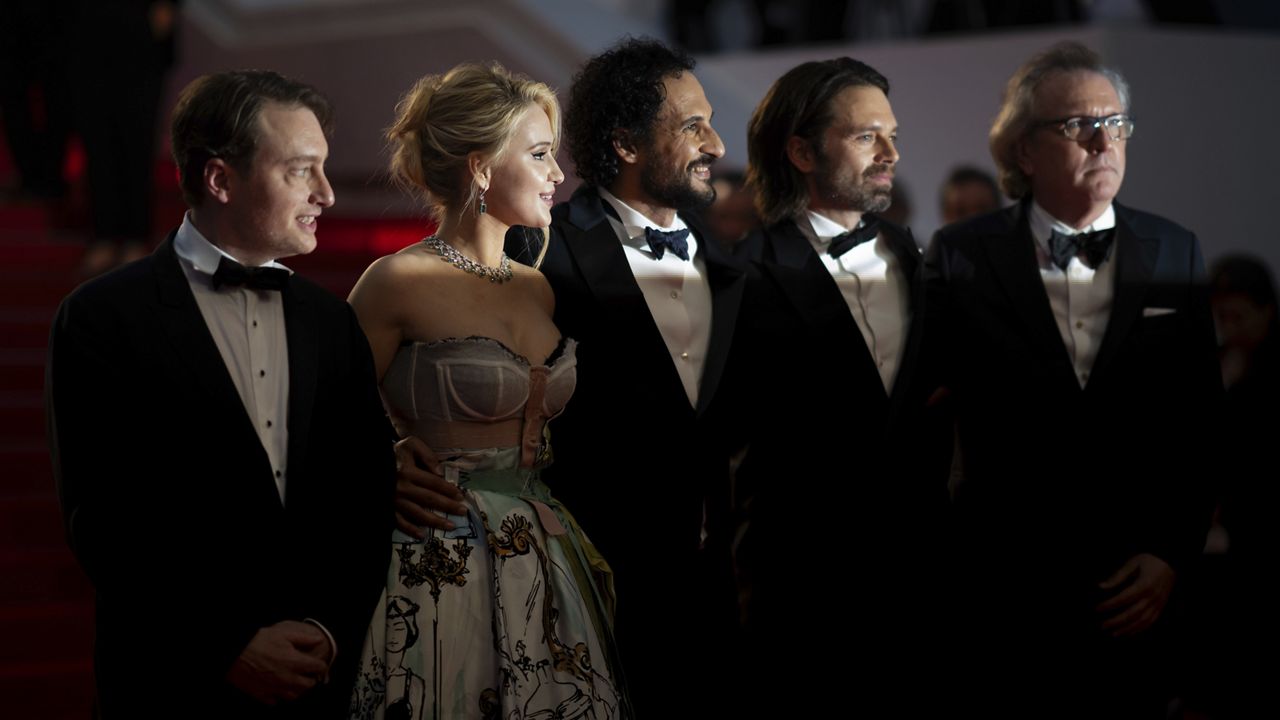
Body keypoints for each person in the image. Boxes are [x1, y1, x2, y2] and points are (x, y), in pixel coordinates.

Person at [45, 70, 395, 718]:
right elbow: (105, 519)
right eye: (301, 171)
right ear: (220, 180)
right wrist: (227, 645)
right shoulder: (100, 319)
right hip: (170, 682)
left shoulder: (331, 322)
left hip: (319, 684)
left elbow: (365, 498)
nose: (327, 193)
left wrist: (327, 630)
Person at [923, 42, 1221, 714]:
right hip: (1002, 594)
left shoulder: (1176, 248)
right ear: (1024, 152)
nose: (1103, 139)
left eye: (1115, 123)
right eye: (1077, 125)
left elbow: (1202, 420)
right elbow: (924, 413)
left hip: (1136, 587)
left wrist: (1172, 552)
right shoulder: (962, 254)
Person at [344, 62, 625, 720]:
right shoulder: (396, 281)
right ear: (479, 168)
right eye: (538, 154)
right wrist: (387, 457)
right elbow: (324, 417)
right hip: (435, 559)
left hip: (545, 560)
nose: (558, 173)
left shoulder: (537, 285)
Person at [502, 37, 747, 713]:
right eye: (694, 126)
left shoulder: (736, 266)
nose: (717, 145)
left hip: (720, 606)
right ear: (627, 144)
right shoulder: (538, 249)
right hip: (583, 593)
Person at [732, 56, 949, 711]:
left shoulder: (922, 260)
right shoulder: (741, 277)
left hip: (927, 597)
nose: (889, 153)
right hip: (801, 603)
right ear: (800, 150)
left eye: (892, 135)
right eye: (865, 137)